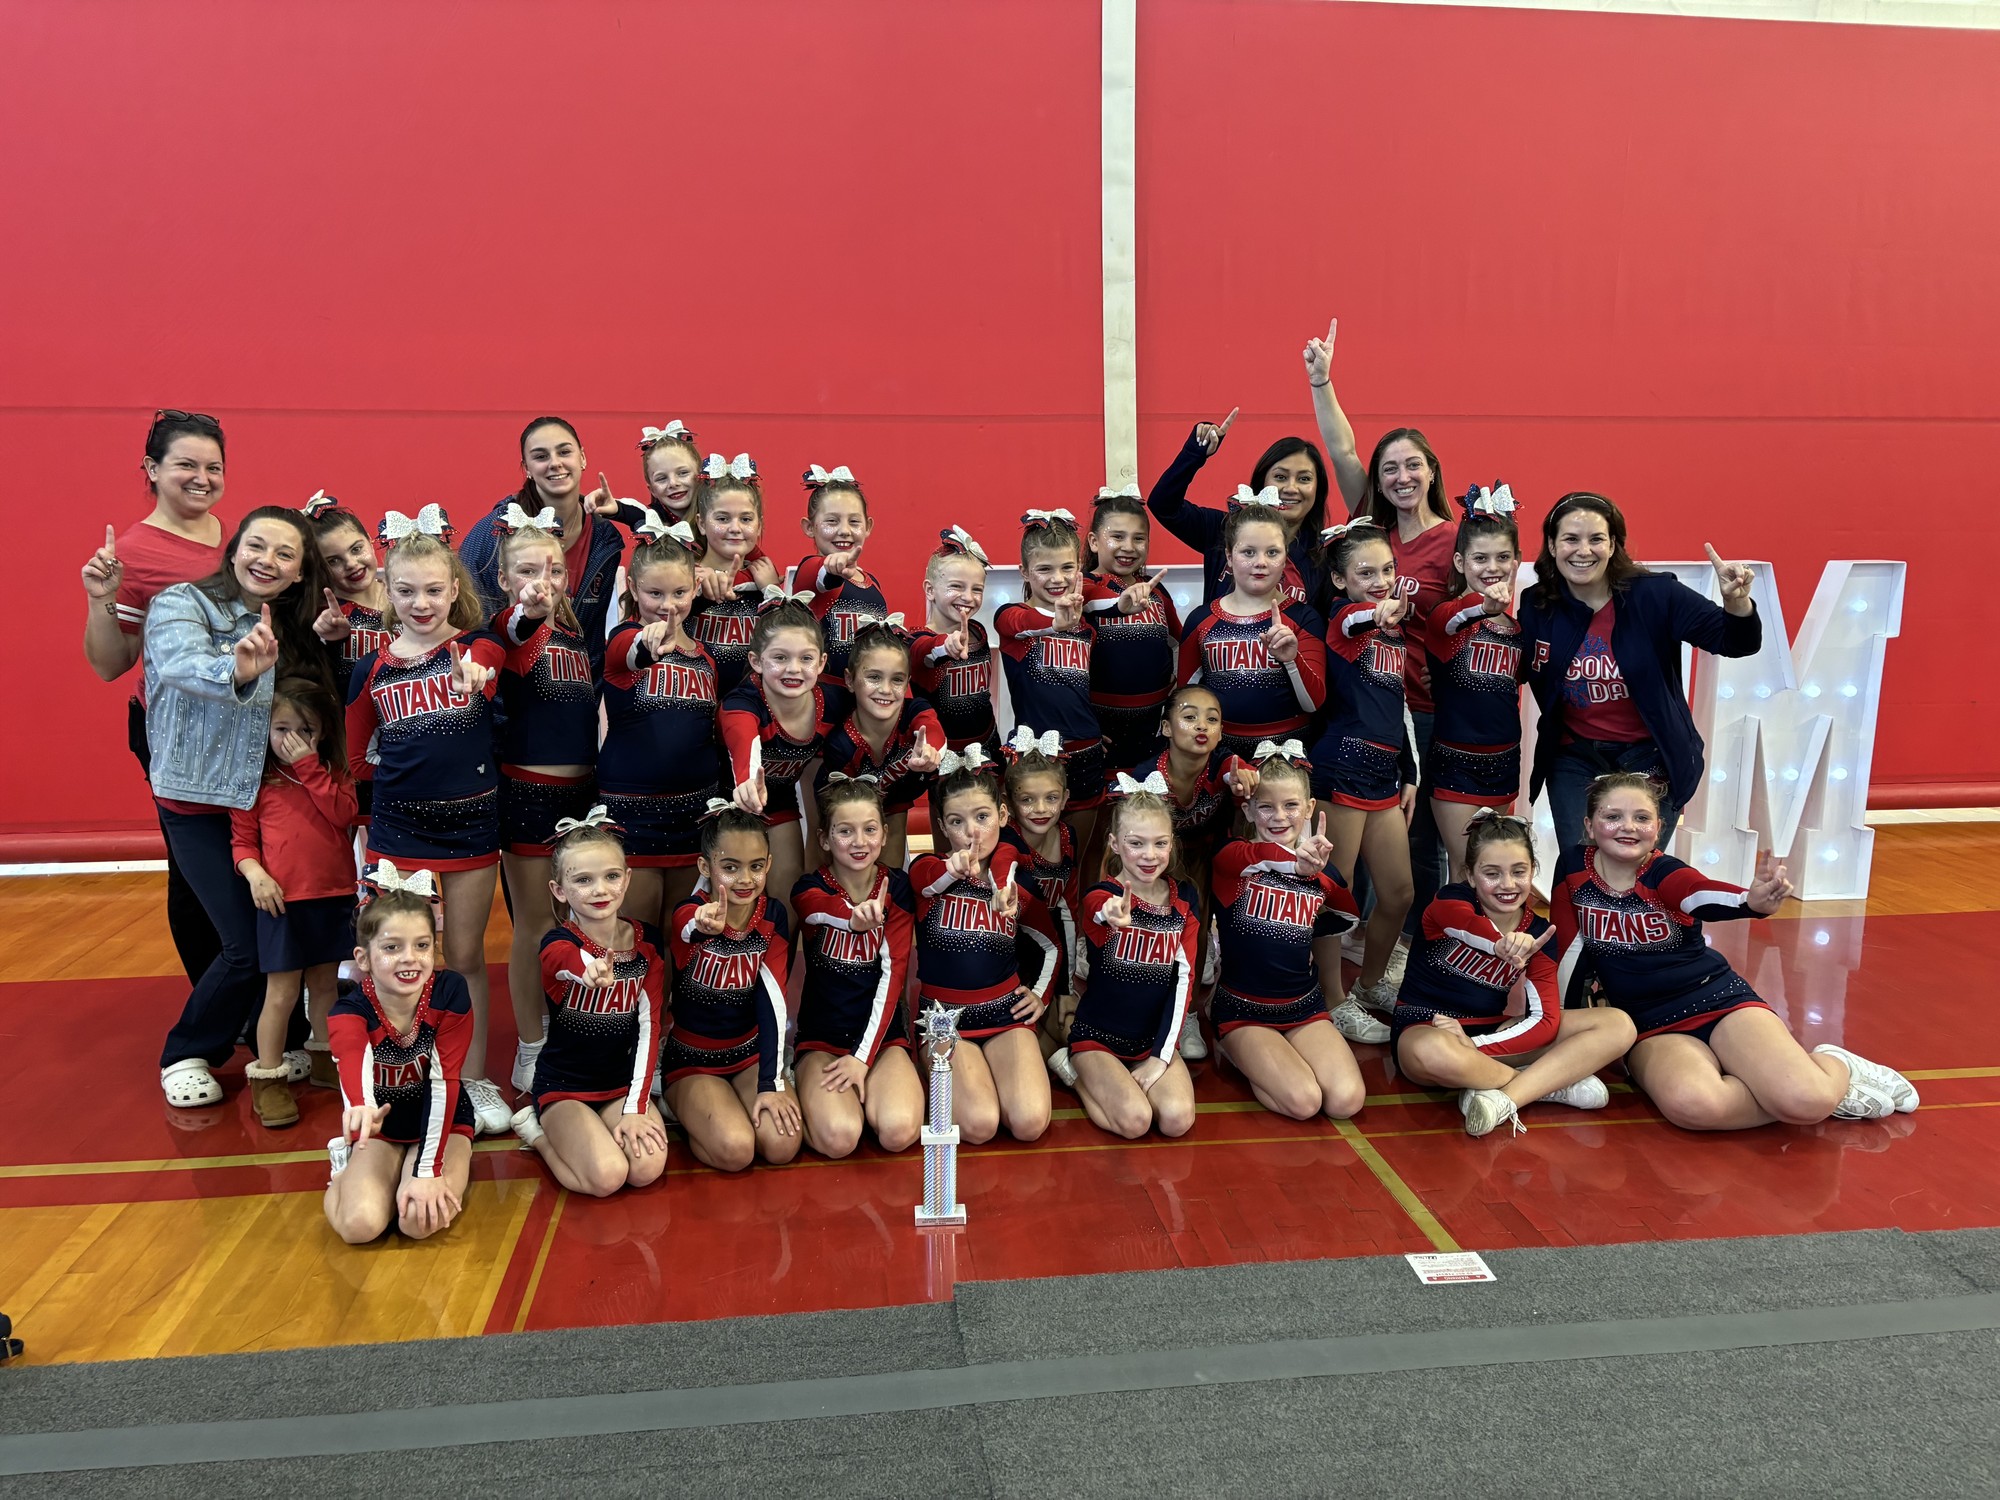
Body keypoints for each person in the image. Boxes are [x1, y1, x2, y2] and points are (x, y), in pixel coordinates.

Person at [1551, 773, 1917, 1131]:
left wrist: (1748, 901)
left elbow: (1699, 893)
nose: (1628, 827)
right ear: (1589, 825)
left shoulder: (1663, 872)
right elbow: (1565, 949)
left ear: (1659, 827)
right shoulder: (1573, 867)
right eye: (1613, 816)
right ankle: (1784, 1088)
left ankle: (1835, 1066)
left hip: (1716, 1000)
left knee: (1807, 1101)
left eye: (1642, 818)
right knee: (1695, 1106)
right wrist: (1566, 1024)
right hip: (1646, 1025)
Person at [146, 506, 338, 1109]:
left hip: (268, 801)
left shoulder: (297, 624)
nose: (267, 561)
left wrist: (334, 644)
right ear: (234, 550)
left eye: (285, 554)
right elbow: (178, 665)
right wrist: (235, 667)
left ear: (300, 571)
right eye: (257, 546)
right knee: (246, 945)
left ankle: (272, 1042)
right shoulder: (184, 603)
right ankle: (187, 1051)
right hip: (199, 802)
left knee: (282, 939)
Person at [342, 509, 511, 1133]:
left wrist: (476, 675)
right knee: (395, 956)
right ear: (386, 589)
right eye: (406, 590)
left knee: (463, 955)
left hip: (471, 827)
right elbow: (355, 758)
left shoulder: (477, 649)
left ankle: (473, 1080)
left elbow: (487, 662)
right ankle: (394, 1080)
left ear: (454, 589)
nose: (421, 603)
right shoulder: (372, 668)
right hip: (397, 832)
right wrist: (395, 786)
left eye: (434, 590)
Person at [1517, 492, 1763, 849]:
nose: (1583, 550)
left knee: (1636, 867)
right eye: (1571, 539)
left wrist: (1736, 602)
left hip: (1650, 754)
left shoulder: (1656, 595)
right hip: (1574, 755)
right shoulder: (1538, 604)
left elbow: (1736, 642)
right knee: (1580, 867)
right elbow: (1518, 666)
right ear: (1552, 546)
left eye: (1596, 539)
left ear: (1613, 545)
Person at [81, 410, 232, 986]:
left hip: (241, 728)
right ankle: (214, 1000)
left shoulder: (236, 537)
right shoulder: (136, 552)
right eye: (186, 465)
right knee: (196, 872)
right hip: (174, 733)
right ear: (151, 468)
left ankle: (262, 999)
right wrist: (100, 598)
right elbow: (110, 664)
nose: (202, 478)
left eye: (213, 467)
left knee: (250, 859)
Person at [1391, 810, 1636, 1138]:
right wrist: (1500, 944)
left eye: (1519, 871)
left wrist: (1472, 1044)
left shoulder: (1539, 931)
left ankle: (1495, 1092)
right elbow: (1466, 925)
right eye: (1492, 873)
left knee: (1618, 1024)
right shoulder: (1450, 900)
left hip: (1493, 1033)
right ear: (1471, 875)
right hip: (1426, 1026)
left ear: (1533, 870)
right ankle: (1542, 1086)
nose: (1507, 884)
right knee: (1433, 1052)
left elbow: (1545, 1020)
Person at [486, 509, 601, 1094]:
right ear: (504, 579)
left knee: (569, 924)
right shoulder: (509, 630)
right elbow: (515, 633)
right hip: (530, 795)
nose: (543, 581)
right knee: (533, 924)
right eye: (528, 571)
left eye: (553, 570)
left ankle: (564, 1029)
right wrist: (527, 611)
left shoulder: (574, 636)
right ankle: (530, 1045)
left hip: (582, 794)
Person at [508, 811, 671, 1197]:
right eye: (583, 880)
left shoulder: (647, 944)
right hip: (565, 1087)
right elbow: (563, 961)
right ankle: (537, 1134)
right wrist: (588, 969)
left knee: (646, 1168)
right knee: (607, 1177)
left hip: (618, 1084)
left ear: (627, 879)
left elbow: (650, 1029)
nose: (600, 890)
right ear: (559, 890)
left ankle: (601, 1127)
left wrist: (636, 1107)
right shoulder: (557, 942)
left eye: (611, 876)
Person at [911, 750, 1060, 1144]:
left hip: (1004, 1012)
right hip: (943, 1018)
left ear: (1003, 816)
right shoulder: (925, 870)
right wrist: (954, 868)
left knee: (1029, 1123)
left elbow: (1052, 945)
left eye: (982, 817)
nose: (972, 833)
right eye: (956, 822)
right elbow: (931, 879)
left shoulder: (1017, 882)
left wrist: (1041, 995)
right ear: (941, 825)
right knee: (979, 1126)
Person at [1208, 746, 1364, 1121]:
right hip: (1244, 1010)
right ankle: (1235, 1048)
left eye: (1291, 806)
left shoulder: (1318, 871)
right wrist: (1298, 865)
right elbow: (1261, 855)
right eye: (1266, 807)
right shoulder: (1233, 858)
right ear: (1248, 810)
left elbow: (1347, 916)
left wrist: (1296, 927)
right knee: (1304, 1102)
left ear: (1309, 808)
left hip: (1303, 1006)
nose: (1279, 816)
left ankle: (1275, 1060)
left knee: (1347, 1101)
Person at [233, 675, 359, 1125]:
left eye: (305, 730)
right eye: (282, 729)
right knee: (283, 992)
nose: (293, 739)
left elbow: (343, 815)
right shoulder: (258, 780)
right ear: (264, 730)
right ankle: (268, 1079)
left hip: (333, 896)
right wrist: (256, 876)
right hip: (282, 903)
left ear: (322, 731)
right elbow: (242, 842)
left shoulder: (333, 773)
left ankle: (326, 1061)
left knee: (325, 985)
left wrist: (310, 767)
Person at [1312, 518, 1419, 1042]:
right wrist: (1375, 611)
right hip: (1342, 771)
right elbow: (1356, 620)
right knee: (1336, 894)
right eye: (1366, 572)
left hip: (1383, 776)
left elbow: (1398, 706)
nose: (1381, 580)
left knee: (1398, 893)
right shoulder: (1342, 618)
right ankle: (1332, 1001)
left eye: (1388, 570)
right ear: (1340, 580)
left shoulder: (1394, 629)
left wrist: (1410, 771)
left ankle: (1372, 984)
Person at [323, 873, 475, 1243]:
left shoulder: (449, 992)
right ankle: (343, 1172)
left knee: (418, 1222)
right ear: (364, 958)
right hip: (383, 1127)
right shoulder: (350, 1008)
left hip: (443, 1120)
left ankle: (417, 1171)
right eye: (392, 947)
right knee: (359, 1227)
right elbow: (350, 1054)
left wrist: (428, 1171)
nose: (409, 958)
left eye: (422, 945)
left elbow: (444, 1082)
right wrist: (361, 1105)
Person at [1049, 783, 1199, 1140]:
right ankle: (1073, 1071)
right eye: (1136, 843)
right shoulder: (1103, 895)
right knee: (1135, 1121)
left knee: (1177, 1120)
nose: (1149, 855)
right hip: (1098, 1038)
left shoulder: (1183, 901)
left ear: (1171, 844)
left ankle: (1128, 1079)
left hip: (1150, 1039)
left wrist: (1161, 1056)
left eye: (1160, 843)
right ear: (1115, 843)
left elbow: (1184, 982)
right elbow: (1096, 908)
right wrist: (1110, 914)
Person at [791, 777, 925, 1158]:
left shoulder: (897, 888)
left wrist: (863, 1058)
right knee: (840, 1138)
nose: (859, 842)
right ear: (824, 839)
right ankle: (813, 1089)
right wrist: (852, 919)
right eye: (845, 831)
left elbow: (894, 976)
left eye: (869, 830)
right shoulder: (808, 888)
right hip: (823, 1040)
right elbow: (819, 910)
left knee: (899, 1131)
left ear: (884, 835)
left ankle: (867, 1094)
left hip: (881, 1040)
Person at [598, 518, 720, 934]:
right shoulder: (623, 640)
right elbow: (628, 651)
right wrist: (646, 644)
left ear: (695, 587)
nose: (669, 605)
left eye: (679, 593)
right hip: (633, 815)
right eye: (655, 593)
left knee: (681, 936)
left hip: (695, 815)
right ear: (633, 589)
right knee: (637, 936)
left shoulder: (705, 658)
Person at [663, 805, 800, 1171]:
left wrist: (770, 1082)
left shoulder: (772, 916)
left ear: (769, 864)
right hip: (693, 1061)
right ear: (705, 867)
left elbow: (773, 1001)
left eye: (755, 866)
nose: (744, 879)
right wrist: (701, 924)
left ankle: (727, 1107)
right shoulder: (690, 912)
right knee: (737, 1151)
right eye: (730, 867)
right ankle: (683, 1106)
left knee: (782, 1145)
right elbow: (685, 926)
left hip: (748, 1056)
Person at [1130, 683, 1259, 1060]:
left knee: (1198, 925)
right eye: (1189, 717)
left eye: (1212, 719)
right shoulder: (1147, 776)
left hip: (1207, 857)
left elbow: (1237, 771)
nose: (1202, 725)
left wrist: (1245, 776)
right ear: (1167, 727)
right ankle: (1148, 1003)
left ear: (1220, 733)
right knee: (1154, 924)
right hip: (1158, 862)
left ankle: (1188, 1013)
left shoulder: (1222, 763)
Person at [720, 597, 845, 934]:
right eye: (780, 658)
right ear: (756, 661)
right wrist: (747, 781)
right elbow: (743, 742)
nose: (793, 669)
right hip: (725, 804)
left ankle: (779, 965)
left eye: (805, 658)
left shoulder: (834, 700)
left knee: (789, 903)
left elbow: (894, 702)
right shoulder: (742, 702)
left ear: (822, 662)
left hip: (778, 801)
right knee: (733, 908)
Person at [458, 417, 625, 668]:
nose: (555, 463)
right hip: (506, 686)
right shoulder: (494, 532)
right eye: (541, 456)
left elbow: (591, 643)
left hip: (575, 686)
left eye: (564, 452)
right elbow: (470, 624)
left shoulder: (605, 538)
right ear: (527, 468)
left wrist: (624, 513)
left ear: (582, 457)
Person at [1425, 489, 1527, 881]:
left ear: (1516, 561)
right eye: (1480, 558)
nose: (1492, 567)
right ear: (1460, 561)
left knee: (1495, 871)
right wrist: (1483, 607)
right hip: (1456, 763)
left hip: (1504, 762)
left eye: (1502, 557)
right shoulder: (1447, 617)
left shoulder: (1517, 629)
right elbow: (1453, 620)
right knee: (1466, 870)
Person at [1177, 498, 1327, 764]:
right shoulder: (1201, 620)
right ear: (1229, 556)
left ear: (1285, 557)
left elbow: (1313, 704)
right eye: (1248, 552)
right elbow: (1185, 702)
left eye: (1272, 552)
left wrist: (1292, 660)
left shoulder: (1304, 618)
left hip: (1286, 758)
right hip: (1220, 755)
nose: (1261, 562)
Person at [1146, 404, 1337, 612]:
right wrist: (1195, 453)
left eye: (1304, 479)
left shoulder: (1325, 555)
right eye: (1280, 477)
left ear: (1318, 489)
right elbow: (1163, 504)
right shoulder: (1222, 529)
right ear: (1262, 483)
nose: (1291, 488)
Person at [995, 510, 1104, 846]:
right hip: (1035, 758)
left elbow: (1081, 690)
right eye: (1044, 569)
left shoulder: (1085, 629)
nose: (1057, 578)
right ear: (1025, 572)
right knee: (1034, 858)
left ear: (1079, 568)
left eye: (1067, 568)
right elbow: (1019, 622)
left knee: (1081, 857)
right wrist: (1053, 624)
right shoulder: (1011, 618)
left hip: (1086, 751)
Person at [815, 620, 943, 868]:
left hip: (896, 802)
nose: (885, 689)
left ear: (907, 682)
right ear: (850, 680)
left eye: (897, 680)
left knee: (890, 873)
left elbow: (931, 727)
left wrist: (930, 749)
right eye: (874, 677)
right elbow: (842, 815)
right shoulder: (840, 744)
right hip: (850, 814)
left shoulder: (913, 711)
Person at [1082, 488, 1181, 772]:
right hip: (1100, 730)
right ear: (1094, 541)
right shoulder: (1082, 589)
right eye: (1117, 536)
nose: (1129, 547)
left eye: (1139, 538)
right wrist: (1080, 725)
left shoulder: (1156, 592)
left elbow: (1179, 644)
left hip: (1152, 729)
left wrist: (1176, 697)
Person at [686, 453, 783, 696]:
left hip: (753, 704)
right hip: (694, 702)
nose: (735, 528)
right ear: (701, 523)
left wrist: (772, 593)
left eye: (746, 519)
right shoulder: (684, 575)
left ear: (759, 525)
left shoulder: (765, 579)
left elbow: (785, 647)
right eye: (722, 518)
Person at [791, 464, 888, 682]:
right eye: (832, 521)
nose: (844, 530)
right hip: (826, 693)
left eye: (854, 522)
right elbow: (822, 576)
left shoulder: (873, 583)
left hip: (866, 694)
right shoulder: (809, 569)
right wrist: (832, 568)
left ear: (868, 526)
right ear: (809, 527)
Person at [910, 528, 1000, 757]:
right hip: (942, 754)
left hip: (987, 745)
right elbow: (925, 650)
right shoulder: (916, 639)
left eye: (977, 589)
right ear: (930, 590)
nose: (968, 597)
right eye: (956, 586)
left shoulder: (978, 631)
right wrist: (945, 645)